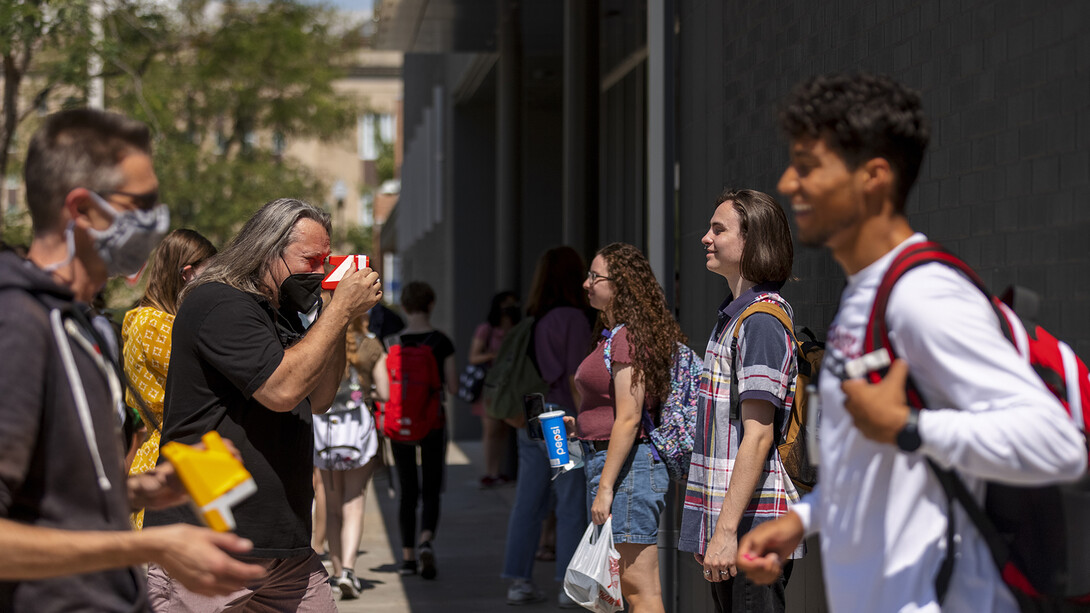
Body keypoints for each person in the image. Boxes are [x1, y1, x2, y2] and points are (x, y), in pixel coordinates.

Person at [736, 72, 1088, 612]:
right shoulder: (864, 295)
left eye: (808, 166)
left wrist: (907, 427)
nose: (788, 182)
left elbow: (1057, 444)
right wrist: (803, 521)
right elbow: (871, 465)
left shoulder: (922, 295)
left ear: (872, 176)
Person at [0, 108, 264, 611]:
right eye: (139, 204)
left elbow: (55, 503)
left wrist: (146, 491)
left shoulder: (84, 324)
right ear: (81, 209)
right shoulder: (17, 323)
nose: (155, 221)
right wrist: (151, 543)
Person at [144, 197, 383, 611]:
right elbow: (281, 389)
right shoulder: (219, 303)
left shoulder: (281, 313)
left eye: (327, 262)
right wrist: (341, 305)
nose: (320, 271)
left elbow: (321, 398)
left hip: (281, 546)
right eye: (311, 260)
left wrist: (335, 312)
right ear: (268, 249)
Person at [678, 189, 802, 613]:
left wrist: (726, 532)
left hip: (753, 530)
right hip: (734, 527)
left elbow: (758, 435)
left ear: (752, 242)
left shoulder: (762, 322)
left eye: (719, 229)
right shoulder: (734, 316)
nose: (705, 238)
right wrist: (713, 530)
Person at [573, 242, 684, 613]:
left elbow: (630, 416)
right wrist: (583, 424)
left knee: (640, 590)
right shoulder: (612, 334)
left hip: (628, 473)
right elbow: (615, 410)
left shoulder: (627, 337)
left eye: (595, 276)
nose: (586, 283)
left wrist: (605, 488)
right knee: (621, 589)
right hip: (615, 466)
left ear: (620, 285)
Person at [502, 246, 591, 608]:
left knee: (527, 502)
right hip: (561, 421)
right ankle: (567, 585)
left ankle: (518, 580)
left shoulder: (534, 318)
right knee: (570, 503)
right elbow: (574, 378)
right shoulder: (573, 318)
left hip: (533, 418)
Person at [123, 228, 217, 529]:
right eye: (210, 273)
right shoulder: (155, 324)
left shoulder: (153, 320)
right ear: (187, 273)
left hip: (179, 454)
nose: (216, 283)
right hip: (172, 457)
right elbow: (211, 375)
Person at [314, 309, 389, 599]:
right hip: (359, 433)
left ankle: (334, 573)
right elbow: (386, 393)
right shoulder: (371, 344)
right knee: (354, 502)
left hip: (326, 435)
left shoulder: (321, 340)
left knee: (331, 505)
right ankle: (348, 570)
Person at [388, 280, 457, 580]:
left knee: (407, 491)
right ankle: (426, 539)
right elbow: (452, 387)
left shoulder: (392, 343)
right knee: (431, 488)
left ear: (403, 306)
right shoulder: (442, 342)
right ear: (431, 304)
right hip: (432, 422)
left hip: (400, 421)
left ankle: (407, 559)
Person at [468, 290, 519, 488]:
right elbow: (473, 357)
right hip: (490, 386)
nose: (510, 309)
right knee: (491, 430)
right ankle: (490, 472)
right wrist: (494, 355)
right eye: (506, 304)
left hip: (509, 386)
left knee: (504, 429)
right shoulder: (486, 329)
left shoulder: (516, 328)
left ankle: (498, 471)